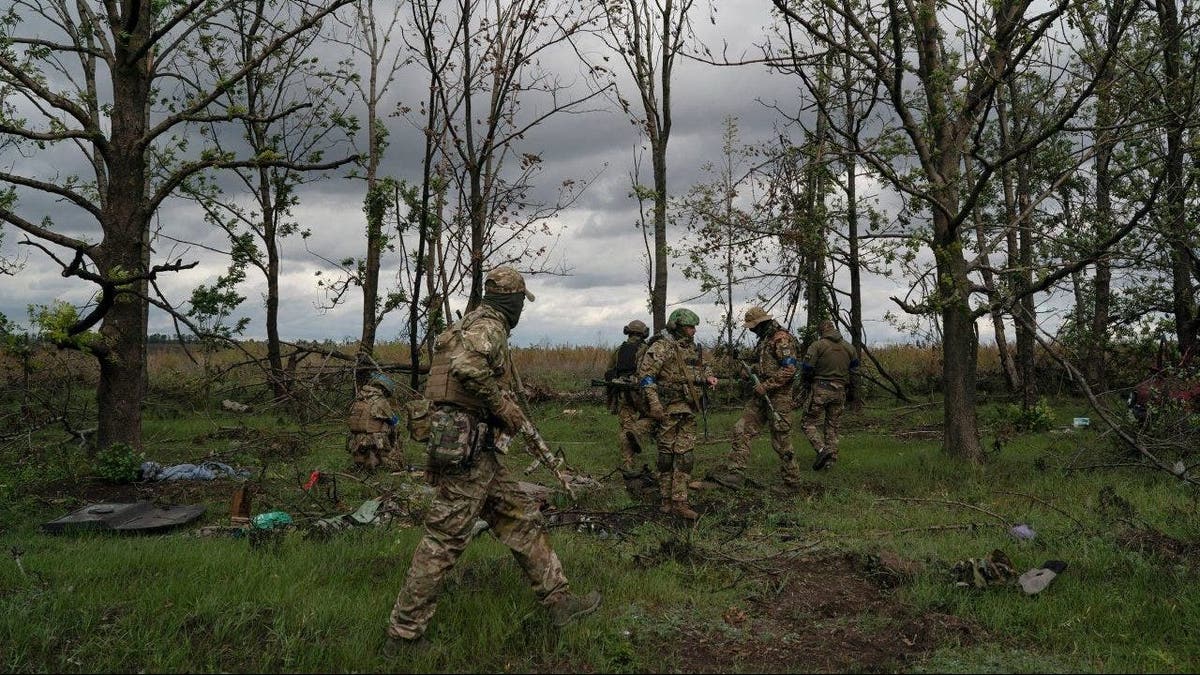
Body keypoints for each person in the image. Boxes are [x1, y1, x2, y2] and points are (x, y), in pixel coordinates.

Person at [386, 267, 601, 651]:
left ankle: (559, 601)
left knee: (522, 518)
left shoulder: (463, 326)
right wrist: (503, 405)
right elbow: (467, 369)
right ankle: (403, 634)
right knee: (443, 539)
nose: (521, 308)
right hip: (468, 451)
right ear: (512, 299)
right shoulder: (489, 325)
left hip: (473, 449)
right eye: (521, 300)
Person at [638, 308, 717, 520]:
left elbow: (704, 367)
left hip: (688, 409)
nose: (694, 331)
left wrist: (709, 377)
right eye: (690, 327)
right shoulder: (661, 347)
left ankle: (680, 501)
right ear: (678, 327)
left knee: (684, 457)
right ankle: (665, 500)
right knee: (666, 456)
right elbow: (647, 377)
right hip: (667, 409)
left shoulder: (693, 349)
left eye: (694, 327)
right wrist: (654, 405)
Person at [720, 306, 802, 487]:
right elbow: (761, 366)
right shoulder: (764, 340)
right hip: (760, 396)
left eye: (753, 326)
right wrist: (744, 368)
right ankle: (735, 472)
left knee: (781, 440)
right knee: (741, 429)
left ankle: (792, 481)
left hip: (779, 397)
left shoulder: (781, 339)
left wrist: (766, 386)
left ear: (762, 323)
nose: (751, 329)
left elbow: (789, 369)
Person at [800, 319, 860, 471]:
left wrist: (806, 382)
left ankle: (822, 450)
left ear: (822, 331)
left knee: (808, 423)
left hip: (821, 389)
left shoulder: (817, 345)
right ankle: (830, 462)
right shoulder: (849, 347)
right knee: (832, 426)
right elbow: (854, 372)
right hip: (840, 391)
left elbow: (807, 367)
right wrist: (853, 391)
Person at [604, 319, 655, 470]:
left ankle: (628, 464)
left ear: (628, 332)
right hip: (641, 393)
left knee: (626, 428)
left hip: (622, 394)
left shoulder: (619, 350)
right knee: (654, 417)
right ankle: (637, 431)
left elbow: (608, 372)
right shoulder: (646, 350)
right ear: (644, 334)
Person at [347, 372, 401, 471]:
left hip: (355, 441)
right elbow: (395, 422)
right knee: (390, 426)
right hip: (374, 442)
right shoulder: (380, 401)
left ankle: (364, 463)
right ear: (384, 389)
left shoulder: (358, 399)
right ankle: (390, 459)